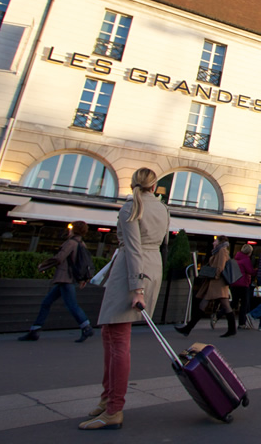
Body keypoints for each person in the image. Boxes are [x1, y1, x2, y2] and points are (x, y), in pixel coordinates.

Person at [79, 167, 169, 430]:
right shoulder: (163, 209)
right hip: (150, 268)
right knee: (110, 334)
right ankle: (107, 400)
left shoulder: (130, 207)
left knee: (117, 340)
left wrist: (137, 288)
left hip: (132, 272)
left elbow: (132, 248)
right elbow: (158, 242)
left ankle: (114, 408)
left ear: (133, 184)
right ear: (155, 186)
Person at [19, 220, 95, 343]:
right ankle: (35, 330)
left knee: (71, 305)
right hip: (70, 278)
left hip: (65, 278)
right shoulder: (82, 244)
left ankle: (86, 327)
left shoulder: (70, 243)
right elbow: (85, 263)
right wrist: (84, 278)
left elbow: (59, 258)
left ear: (73, 229)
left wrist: (43, 265)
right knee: (47, 303)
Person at [176, 236, 236, 338]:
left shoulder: (221, 251)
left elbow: (220, 267)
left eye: (215, 241)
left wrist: (214, 275)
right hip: (216, 283)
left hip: (217, 283)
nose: (213, 243)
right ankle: (188, 328)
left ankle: (188, 328)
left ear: (220, 242)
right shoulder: (219, 251)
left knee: (212, 304)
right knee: (222, 305)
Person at [232, 244, 254, 329]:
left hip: (234, 283)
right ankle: (242, 323)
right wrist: (258, 270)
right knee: (244, 304)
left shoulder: (236, 258)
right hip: (243, 284)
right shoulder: (246, 260)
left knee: (234, 302)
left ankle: (218, 316)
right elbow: (250, 271)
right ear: (249, 252)